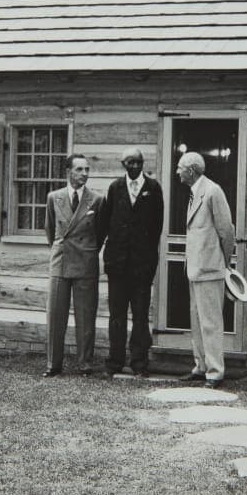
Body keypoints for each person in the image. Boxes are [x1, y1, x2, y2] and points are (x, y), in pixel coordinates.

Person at [97, 147, 165, 378]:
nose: (135, 167)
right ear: (123, 164)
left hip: (141, 267)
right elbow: (106, 223)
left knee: (140, 315)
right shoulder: (115, 188)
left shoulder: (153, 188)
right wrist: (109, 255)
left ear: (143, 163)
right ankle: (114, 362)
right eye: (130, 163)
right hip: (117, 265)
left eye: (138, 162)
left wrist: (147, 257)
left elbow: (157, 227)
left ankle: (139, 364)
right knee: (116, 316)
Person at [176, 151, 235, 389]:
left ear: (191, 170)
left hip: (210, 269)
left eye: (180, 167)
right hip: (195, 269)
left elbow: (226, 231)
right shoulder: (193, 193)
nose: (177, 171)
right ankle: (200, 366)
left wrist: (223, 261)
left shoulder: (213, 191)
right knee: (197, 321)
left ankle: (215, 372)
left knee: (210, 322)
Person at [43, 153, 104, 377]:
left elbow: (101, 232)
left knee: (86, 315)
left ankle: (85, 363)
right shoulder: (54, 197)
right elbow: (50, 231)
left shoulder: (96, 199)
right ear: (69, 172)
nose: (84, 174)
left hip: (86, 262)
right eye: (79, 170)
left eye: (87, 169)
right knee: (55, 315)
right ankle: (53, 364)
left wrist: (88, 251)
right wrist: (61, 247)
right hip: (60, 261)